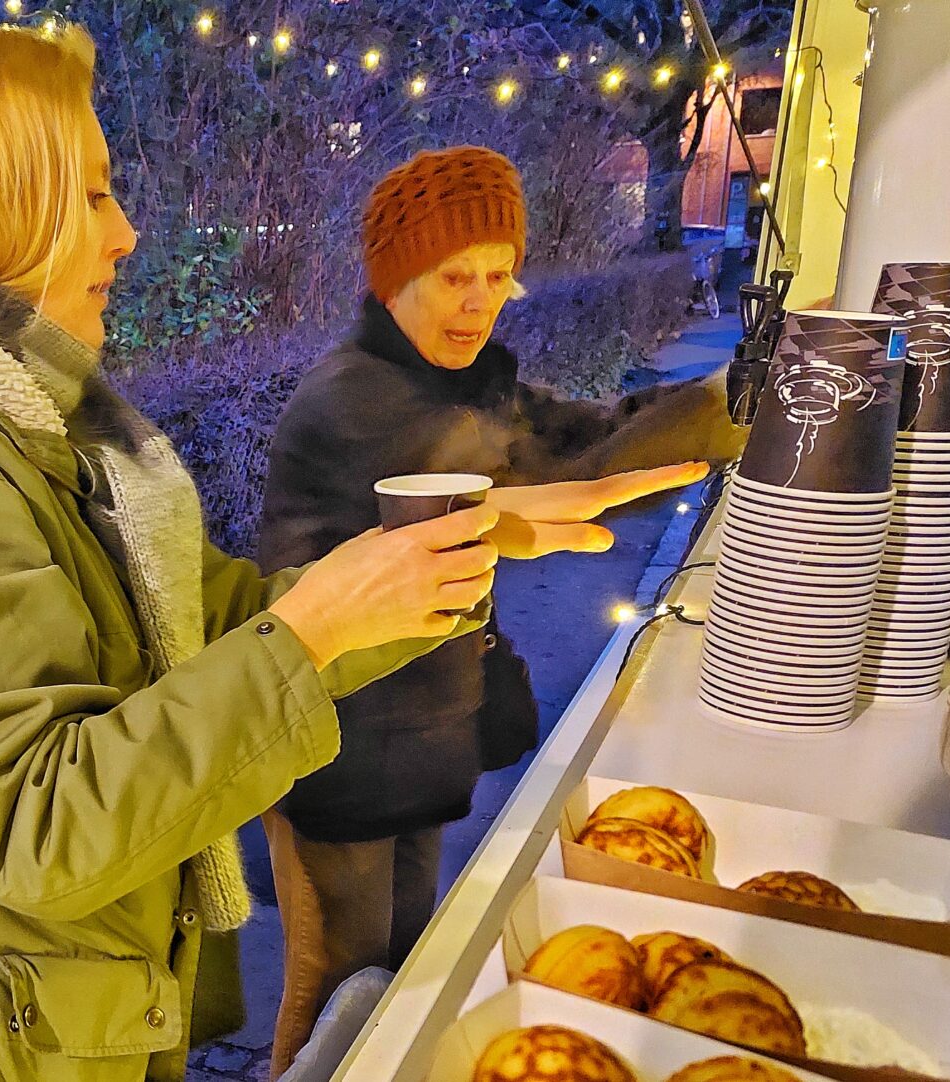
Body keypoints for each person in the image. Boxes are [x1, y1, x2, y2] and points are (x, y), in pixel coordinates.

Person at [0, 20, 704, 1081]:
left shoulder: (27, 427)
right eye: (96, 194)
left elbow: (213, 615)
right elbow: (35, 823)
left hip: (65, 1017)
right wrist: (316, 627)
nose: (126, 235)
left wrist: (460, 546)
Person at [255, 145, 743, 1078]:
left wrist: (696, 405)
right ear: (396, 277)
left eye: (496, 275)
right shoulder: (365, 399)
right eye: (453, 277)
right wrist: (724, 408)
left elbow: (580, 424)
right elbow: (571, 476)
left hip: (423, 729)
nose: (479, 300)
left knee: (396, 979)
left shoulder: (458, 378)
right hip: (337, 748)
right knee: (335, 991)